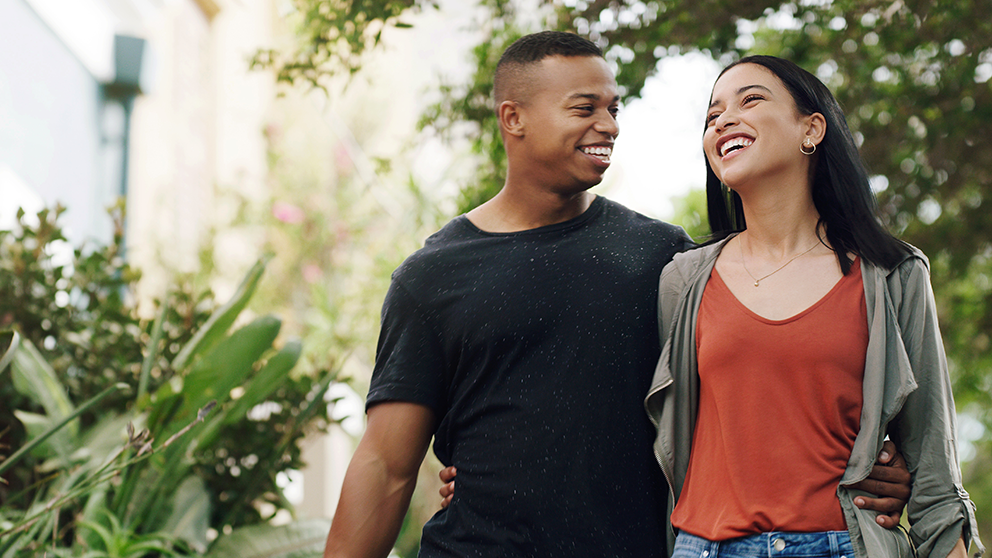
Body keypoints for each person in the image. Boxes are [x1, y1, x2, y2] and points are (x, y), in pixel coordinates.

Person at [323, 33, 910, 558]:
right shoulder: (433, 275)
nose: (608, 125)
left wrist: (869, 468)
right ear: (514, 118)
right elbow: (384, 466)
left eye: (613, 109)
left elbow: (754, 393)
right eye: (584, 108)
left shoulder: (669, 260)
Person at [645, 55, 984, 558]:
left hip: (846, 546)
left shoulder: (893, 274)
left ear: (812, 128)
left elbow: (934, 470)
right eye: (712, 115)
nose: (723, 120)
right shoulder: (684, 281)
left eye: (750, 99)